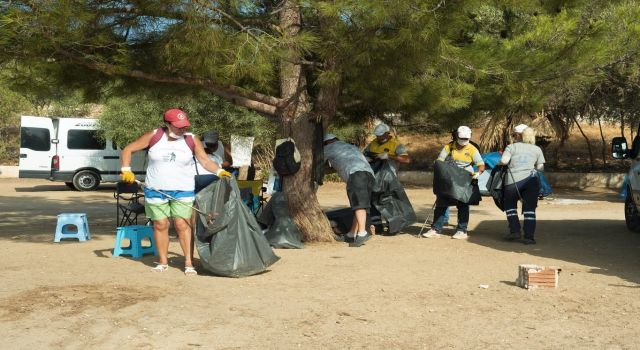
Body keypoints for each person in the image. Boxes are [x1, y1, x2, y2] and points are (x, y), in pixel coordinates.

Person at [120, 108, 232, 275]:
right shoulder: (154, 135)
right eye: (178, 126)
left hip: (183, 189)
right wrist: (126, 169)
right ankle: (163, 262)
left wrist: (219, 171)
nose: (182, 129)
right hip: (155, 189)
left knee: (183, 224)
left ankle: (188, 262)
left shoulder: (191, 139)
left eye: (184, 125)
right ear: (167, 124)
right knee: (160, 224)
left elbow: (205, 161)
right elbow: (128, 149)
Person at [422, 126, 485, 239]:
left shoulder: (472, 149)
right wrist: (438, 165)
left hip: (464, 179)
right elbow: (440, 160)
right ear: (456, 136)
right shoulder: (449, 147)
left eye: (466, 139)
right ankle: (436, 229)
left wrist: (478, 173)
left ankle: (462, 230)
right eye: (461, 138)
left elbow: (481, 165)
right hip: (450, 179)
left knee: (463, 205)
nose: (463, 141)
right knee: (441, 203)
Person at [323, 133, 375, 246]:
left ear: (326, 142)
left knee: (358, 205)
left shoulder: (328, 148)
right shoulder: (350, 146)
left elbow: (318, 165)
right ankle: (351, 234)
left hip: (356, 174)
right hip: (370, 175)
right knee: (361, 205)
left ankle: (362, 233)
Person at [499, 125, 545, 244]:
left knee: (510, 206)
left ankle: (515, 231)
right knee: (530, 209)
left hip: (512, 182)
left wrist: (500, 163)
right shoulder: (537, 149)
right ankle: (529, 237)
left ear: (518, 135)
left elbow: (504, 161)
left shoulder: (511, 147)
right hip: (531, 181)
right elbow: (540, 168)